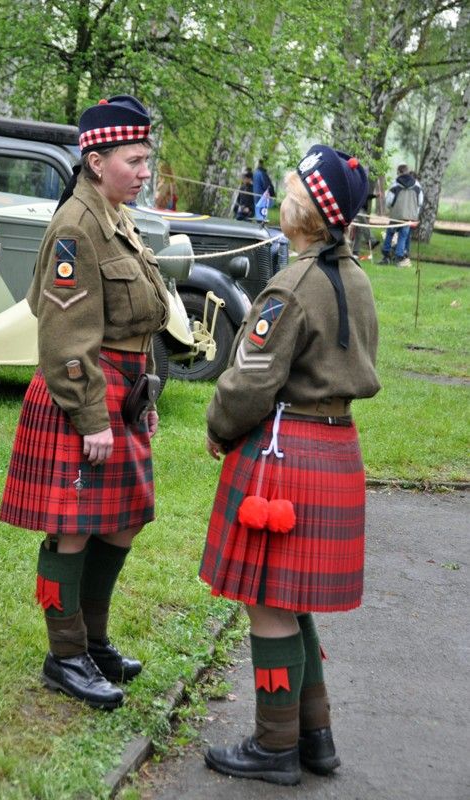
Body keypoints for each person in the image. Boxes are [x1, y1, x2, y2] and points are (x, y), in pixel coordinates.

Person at [200, 145, 380, 786]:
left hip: (287, 452)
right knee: (291, 601)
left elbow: (248, 380)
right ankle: (315, 737)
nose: (282, 197)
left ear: (306, 209)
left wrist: (221, 429)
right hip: (336, 447)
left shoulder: (293, 285)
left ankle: (275, 747)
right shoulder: (356, 278)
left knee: (268, 603)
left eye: (291, 188)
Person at [0, 95, 170, 710]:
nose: (145, 170)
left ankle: (93, 641)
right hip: (84, 391)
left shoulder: (115, 217)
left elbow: (139, 321)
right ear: (96, 161)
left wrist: (142, 395)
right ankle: (64, 655)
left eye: (146, 157)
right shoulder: (77, 224)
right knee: (70, 531)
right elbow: (65, 334)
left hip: (122, 390)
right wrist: (91, 414)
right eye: (135, 159)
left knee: (123, 521)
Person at [380, 164, 423, 267]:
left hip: (396, 213)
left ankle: (386, 256)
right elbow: (420, 201)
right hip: (409, 215)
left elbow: (389, 201)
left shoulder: (395, 184)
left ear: (399, 172)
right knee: (403, 236)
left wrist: (391, 209)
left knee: (390, 233)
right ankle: (399, 257)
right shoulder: (417, 185)